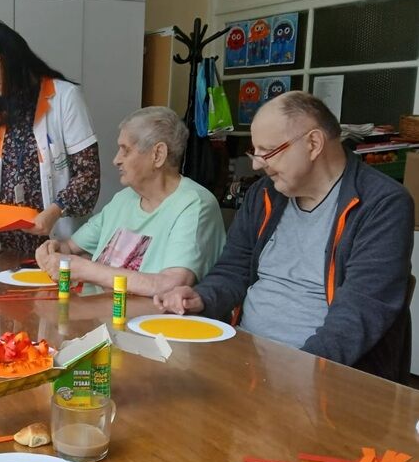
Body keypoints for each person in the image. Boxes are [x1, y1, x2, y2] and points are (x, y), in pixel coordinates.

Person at [156, 92, 414, 382]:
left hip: (324, 375)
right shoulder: (263, 194)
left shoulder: (382, 204)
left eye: (267, 152)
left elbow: (359, 313)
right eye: (255, 152)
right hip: (247, 359)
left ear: (313, 144)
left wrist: (295, 375)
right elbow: (233, 269)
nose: (256, 165)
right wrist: (202, 297)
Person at [35, 107, 226, 296]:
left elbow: (172, 284)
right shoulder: (124, 199)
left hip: (145, 316)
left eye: (125, 150)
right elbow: (71, 248)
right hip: (96, 311)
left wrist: (84, 269)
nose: (116, 160)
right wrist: (54, 249)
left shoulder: (195, 205)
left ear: (158, 154)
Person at [0, 20, 101, 256]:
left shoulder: (65, 98)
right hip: (3, 247)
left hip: (54, 242)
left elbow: (88, 175)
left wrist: (55, 211)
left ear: (11, 57)